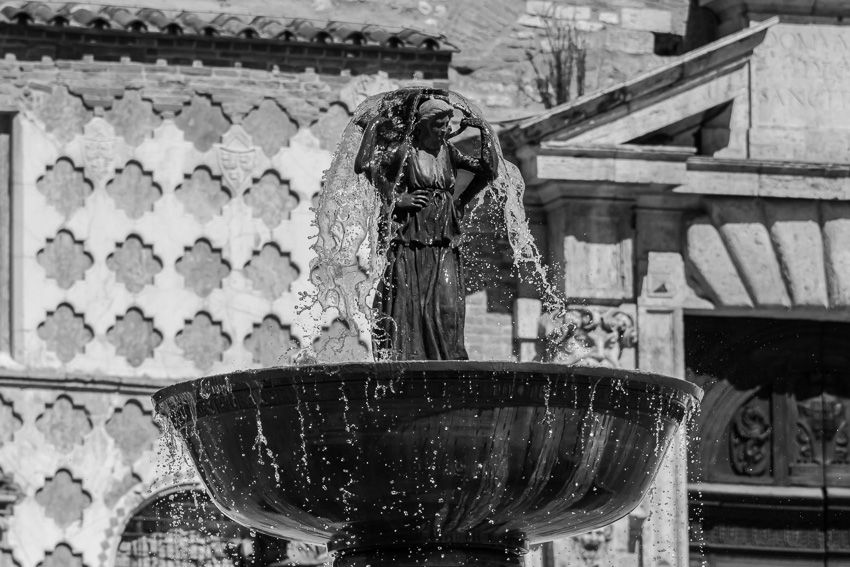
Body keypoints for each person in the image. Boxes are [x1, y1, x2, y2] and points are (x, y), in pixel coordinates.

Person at [355, 93, 498, 360]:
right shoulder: (404, 152)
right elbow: (365, 165)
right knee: (406, 303)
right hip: (410, 237)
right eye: (438, 125)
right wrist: (396, 199)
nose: (445, 130)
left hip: (443, 238)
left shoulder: (449, 152)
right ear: (423, 124)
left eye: (447, 125)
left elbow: (489, 172)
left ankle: (451, 363)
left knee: (448, 306)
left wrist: (485, 132)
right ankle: (407, 362)